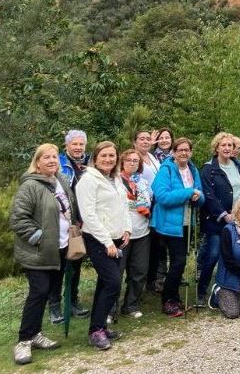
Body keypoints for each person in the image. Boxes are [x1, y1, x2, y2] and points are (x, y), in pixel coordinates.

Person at [9, 143, 71, 365]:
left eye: (55, 157)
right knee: (39, 291)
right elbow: (18, 219)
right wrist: (39, 237)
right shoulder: (30, 186)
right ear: (37, 162)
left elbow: (68, 209)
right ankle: (23, 341)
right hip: (37, 252)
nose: (52, 160)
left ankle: (35, 334)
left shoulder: (61, 181)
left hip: (60, 249)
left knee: (46, 292)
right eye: (47, 157)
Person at [75, 141, 131, 350]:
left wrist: (127, 229)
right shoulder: (88, 180)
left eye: (112, 156)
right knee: (113, 283)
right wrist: (107, 242)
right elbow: (88, 215)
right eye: (104, 156)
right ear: (95, 158)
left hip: (117, 237)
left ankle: (98, 327)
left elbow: (124, 205)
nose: (108, 159)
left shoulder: (114, 178)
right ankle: (96, 330)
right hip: (98, 240)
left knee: (105, 284)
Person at [151, 137, 204, 317]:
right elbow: (162, 196)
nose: (183, 153)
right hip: (169, 224)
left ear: (191, 152)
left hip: (187, 222)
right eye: (180, 150)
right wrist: (189, 193)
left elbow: (200, 194)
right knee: (178, 261)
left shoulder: (193, 169)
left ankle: (173, 296)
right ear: (173, 152)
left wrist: (198, 197)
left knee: (179, 262)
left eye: (187, 150)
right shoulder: (166, 170)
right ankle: (168, 299)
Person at [197, 132, 240, 302]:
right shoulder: (208, 169)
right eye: (224, 145)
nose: (227, 148)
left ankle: (227, 289)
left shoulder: (238, 166)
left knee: (233, 255)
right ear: (217, 148)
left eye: (230, 145)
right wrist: (223, 214)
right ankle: (201, 290)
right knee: (212, 254)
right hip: (216, 220)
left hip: (237, 219)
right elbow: (208, 194)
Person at [50, 129, 90, 323]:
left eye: (81, 144)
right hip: (64, 221)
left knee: (75, 263)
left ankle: (73, 301)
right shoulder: (58, 163)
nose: (78, 147)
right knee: (58, 266)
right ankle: (54, 306)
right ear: (66, 146)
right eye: (74, 144)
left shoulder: (89, 163)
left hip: (83, 222)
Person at [117, 149, 152, 318]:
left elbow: (151, 202)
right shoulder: (114, 181)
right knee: (116, 273)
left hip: (142, 231)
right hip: (121, 232)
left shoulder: (143, 182)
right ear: (122, 162)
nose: (132, 163)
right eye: (129, 160)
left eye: (136, 161)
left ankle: (131, 306)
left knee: (139, 271)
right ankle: (110, 309)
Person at [134, 129, 167, 293]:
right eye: (142, 139)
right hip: (141, 206)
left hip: (156, 204)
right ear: (135, 142)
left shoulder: (152, 157)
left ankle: (152, 281)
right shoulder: (134, 158)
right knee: (145, 245)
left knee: (156, 245)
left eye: (148, 139)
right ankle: (141, 282)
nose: (145, 141)